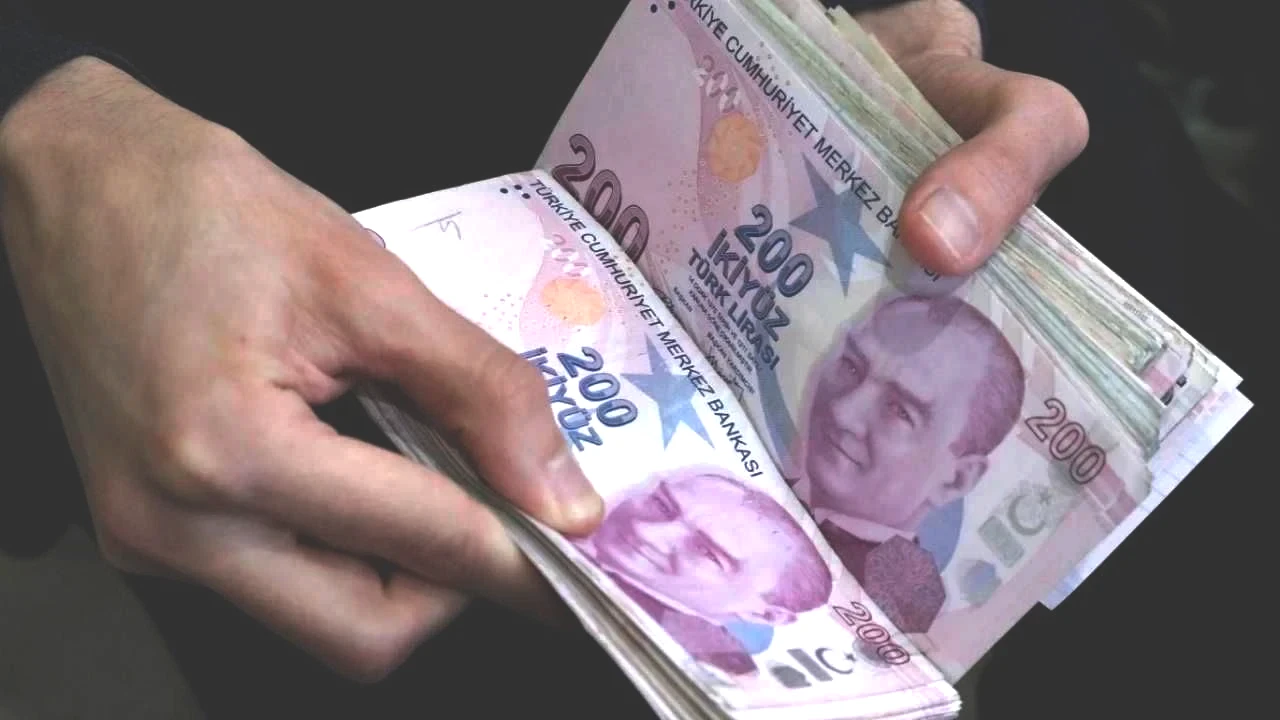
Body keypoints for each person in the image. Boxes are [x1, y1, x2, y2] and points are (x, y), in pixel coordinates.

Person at [0, 0, 1263, 718]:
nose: (854, 413)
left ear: (961, 473)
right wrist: (42, 121)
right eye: (863, 381)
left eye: (900, 412)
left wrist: (867, 52)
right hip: (259, 332)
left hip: (1009, 140)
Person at [791, 293, 1025, 633]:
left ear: (957, 479)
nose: (842, 412)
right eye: (851, 367)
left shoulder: (908, 604)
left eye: (900, 411)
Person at [575, 467, 832, 676]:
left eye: (709, 554)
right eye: (663, 506)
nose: (646, 530)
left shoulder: (717, 670)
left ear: (765, 614)